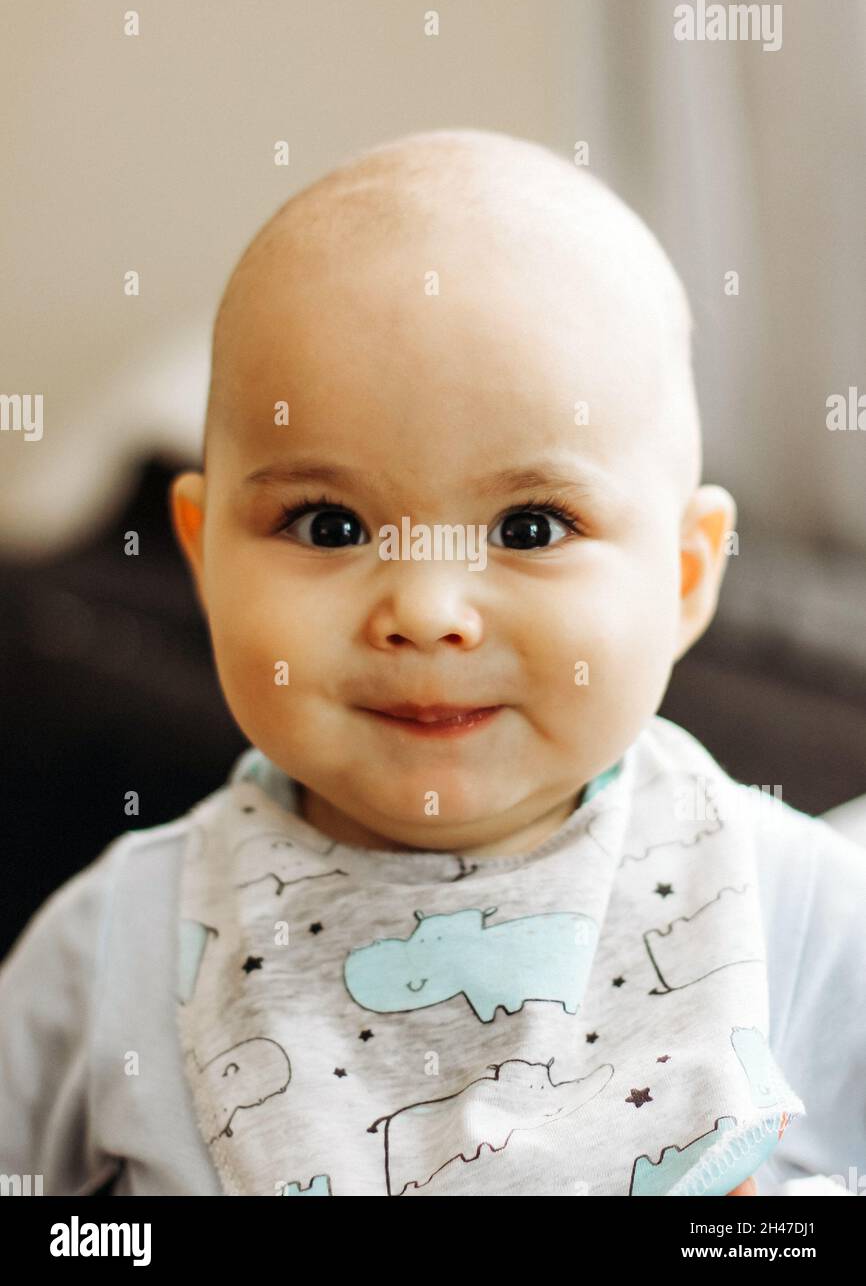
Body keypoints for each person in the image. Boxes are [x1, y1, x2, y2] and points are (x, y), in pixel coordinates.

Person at [1, 129, 863, 1197]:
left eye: (531, 527)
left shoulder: (795, 911)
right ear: (202, 557)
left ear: (685, 577)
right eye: (325, 525)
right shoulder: (114, 949)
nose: (425, 610)